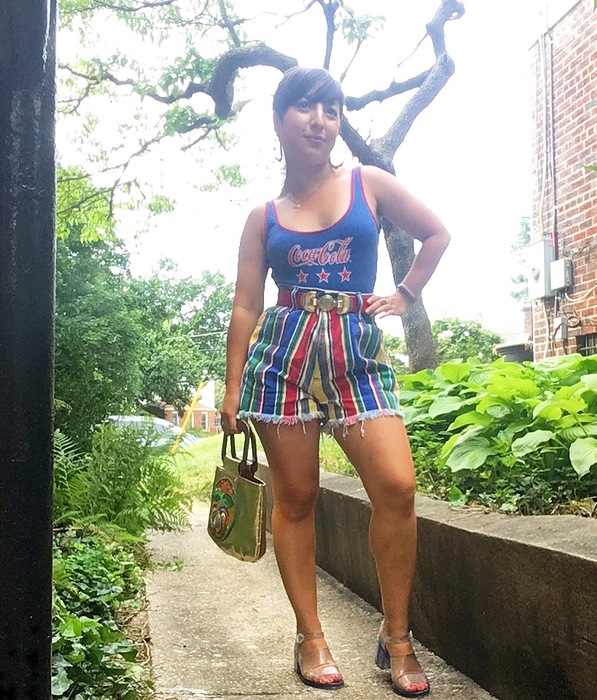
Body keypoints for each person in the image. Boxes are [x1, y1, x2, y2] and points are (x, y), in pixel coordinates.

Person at [220, 66, 450, 698]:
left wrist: (405, 294)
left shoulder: (367, 183)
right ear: (279, 119)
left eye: (331, 108)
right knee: (295, 499)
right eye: (304, 107)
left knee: (398, 488)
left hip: (358, 356)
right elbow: (245, 304)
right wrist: (232, 385)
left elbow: (437, 233)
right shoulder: (262, 217)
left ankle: (396, 636)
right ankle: (310, 635)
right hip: (282, 362)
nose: (319, 119)